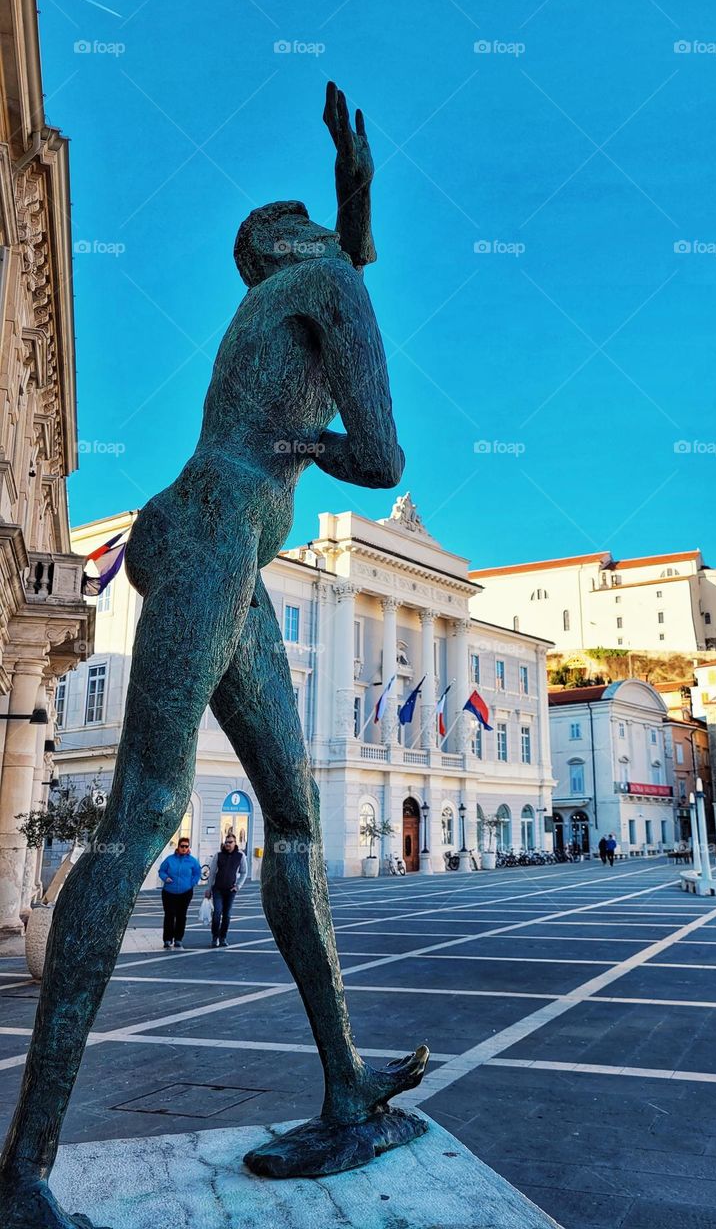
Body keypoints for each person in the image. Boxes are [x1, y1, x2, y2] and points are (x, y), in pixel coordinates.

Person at [0, 83, 428, 1228]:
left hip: (205, 540)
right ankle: (22, 1168)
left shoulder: (283, 295)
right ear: (290, 239)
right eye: (329, 222)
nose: (347, 243)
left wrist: (356, 175)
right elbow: (384, 457)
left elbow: (354, 245)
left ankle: (343, 1082)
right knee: (143, 813)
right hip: (215, 531)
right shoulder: (321, 283)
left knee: (291, 815)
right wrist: (305, 443)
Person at [157, 837, 202, 949]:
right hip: (169, 892)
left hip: (185, 892)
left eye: (186, 846)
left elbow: (197, 873)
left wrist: (191, 883)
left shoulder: (192, 861)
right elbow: (161, 871)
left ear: (188, 848)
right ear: (178, 846)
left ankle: (178, 939)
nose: (184, 848)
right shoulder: (169, 859)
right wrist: (165, 878)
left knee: (181, 915)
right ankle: (167, 939)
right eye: (182, 846)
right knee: (169, 915)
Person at [206, 834, 248, 946]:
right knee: (217, 913)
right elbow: (212, 873)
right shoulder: (218, 855)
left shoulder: (240, 856)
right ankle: (215, 937)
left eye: (230, 842)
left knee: (227, 915)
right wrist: (208, 889)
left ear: (235, 843)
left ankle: (223, 937)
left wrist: (238, 886)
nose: (227, 844)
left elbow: (244, 872)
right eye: (226, 842)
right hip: (218, 889)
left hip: (231, 890)